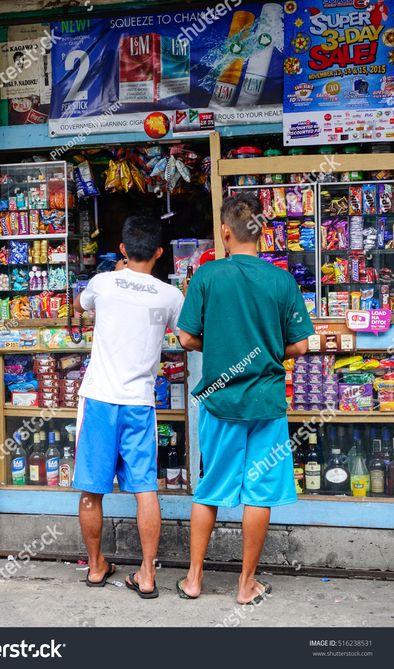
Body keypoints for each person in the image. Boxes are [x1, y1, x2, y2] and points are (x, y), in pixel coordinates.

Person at [176, 193, 314, 605]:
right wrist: (269, 349)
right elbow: (301, 346)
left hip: (220, 400)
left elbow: (185, 337)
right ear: (262, 231)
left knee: (210, 488)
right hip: (266, 403)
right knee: (259, 494)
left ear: (224, 231)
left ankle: (195, 580)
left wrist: (219, 345)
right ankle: (245, 584)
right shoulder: (281, 281)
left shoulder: (208, 276)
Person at [73, 216, 184, 599]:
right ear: (159, 253)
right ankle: (148, 575)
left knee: (91, 488)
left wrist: (116, 274)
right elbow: (186, 336)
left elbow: (79, 305)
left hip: (99, 398)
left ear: (122, 249)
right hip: (139, 403)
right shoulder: (170, 296)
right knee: (144, 489)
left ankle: (95, 567)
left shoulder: (101, 283)